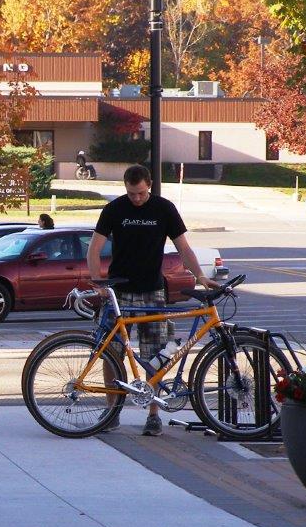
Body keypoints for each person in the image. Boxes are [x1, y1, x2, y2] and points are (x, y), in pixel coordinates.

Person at [87, 164, 218, 436]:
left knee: (155, 355)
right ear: (125, 188)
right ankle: (111, 411)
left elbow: (183, 247)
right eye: (132, 193)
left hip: (153, 291)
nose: (136, 199)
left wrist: (201, 276)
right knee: (111, 353)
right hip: (119, 291)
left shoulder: (164, 209)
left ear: (150, 186)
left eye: (141, 193)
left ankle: (153, 414)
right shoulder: (114, 209)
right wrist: (97, 282)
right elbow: (94, 249)